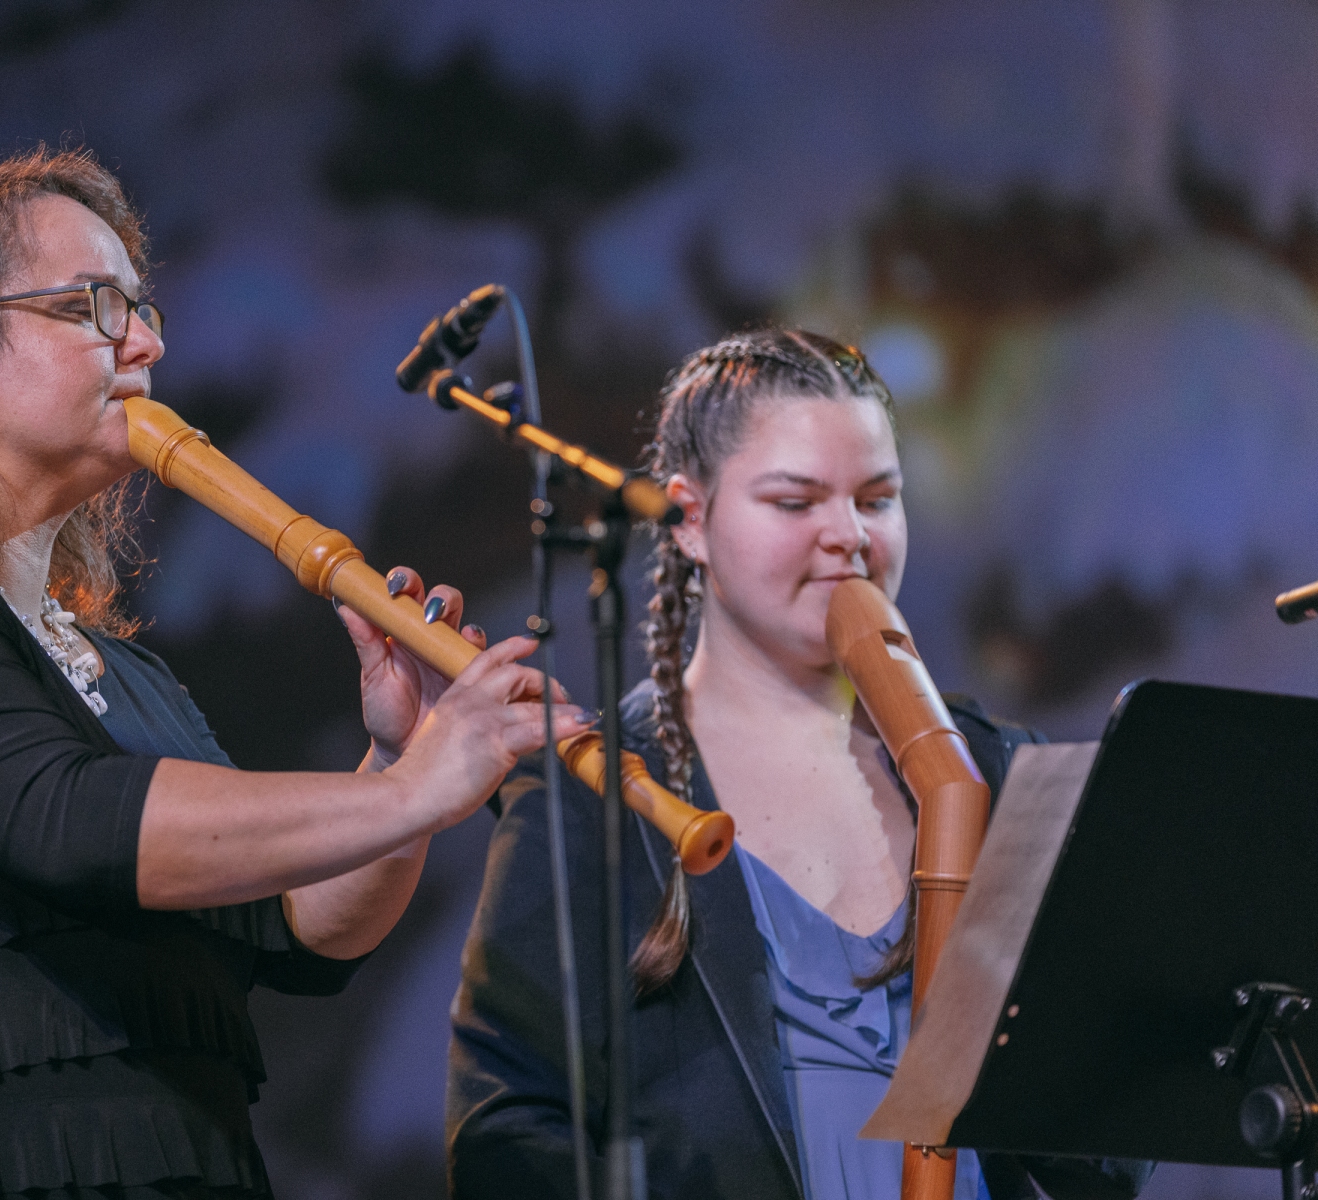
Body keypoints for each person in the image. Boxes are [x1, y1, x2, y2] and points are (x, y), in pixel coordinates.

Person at [0, 148, 591, 1200]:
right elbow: (72, 822)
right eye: (90, 306)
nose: (147, 342)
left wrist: (394, 760)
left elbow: (300, 931)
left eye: (139, 307)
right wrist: (422, 787)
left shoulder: (121, 674)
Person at [444, 331, 1152, 1200]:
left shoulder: (1000, 771)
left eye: (877, 499)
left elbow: (1108, 1153)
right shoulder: (595, 788)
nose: (849, 536)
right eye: (795, 501)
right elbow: (503, 1129)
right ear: (689, 519)